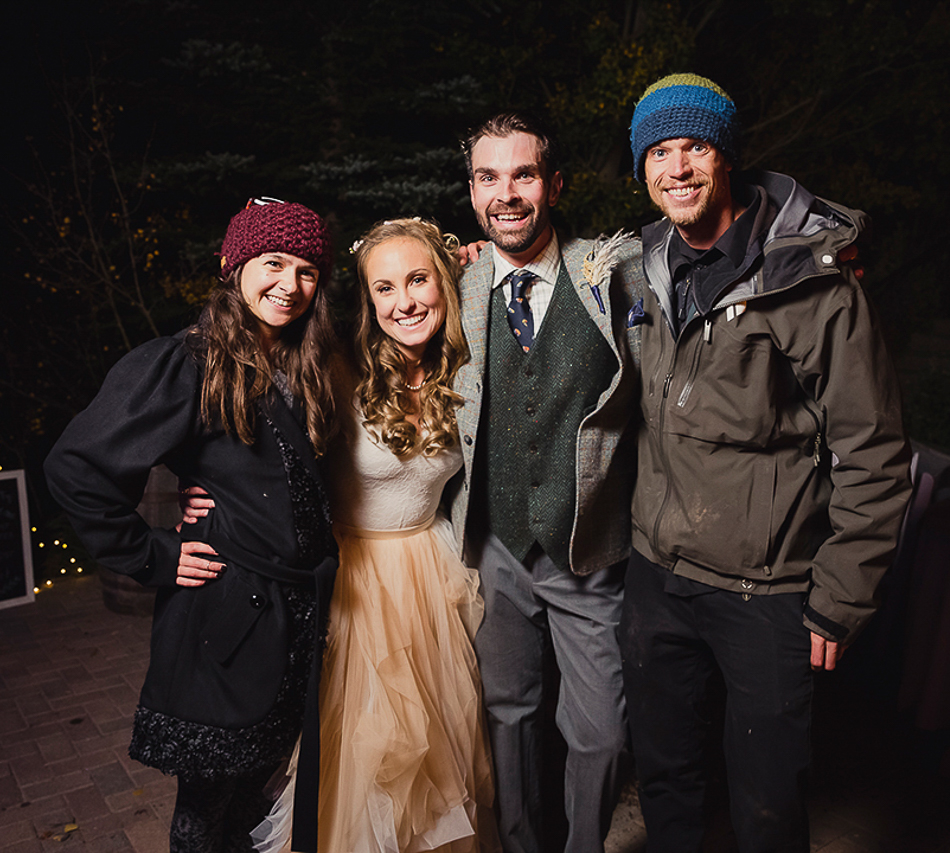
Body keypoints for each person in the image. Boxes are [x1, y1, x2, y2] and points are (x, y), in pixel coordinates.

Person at [620, 73, 912, 852]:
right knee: (666, 781)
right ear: (641, 166)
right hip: (657, 574)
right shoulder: (637, 264)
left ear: (728, 156)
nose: (677, 168)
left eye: (696, 147)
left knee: (768, 798)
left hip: (768, 586)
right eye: (659, 151)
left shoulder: (810, 280)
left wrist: (842, 594)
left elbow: (874, 449)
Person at [182, 218, 500, 852]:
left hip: (435, 575)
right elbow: (252, 432)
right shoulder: (334, 368)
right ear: (365, 297)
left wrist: (481, 259)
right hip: (354, 581)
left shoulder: (465, 368)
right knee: (367, 757)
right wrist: (208, 489)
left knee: (439, 761)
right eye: (384, 288)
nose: (404, 301)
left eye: (419, 281)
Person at [44, 199, 341, 853]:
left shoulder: (301, 362)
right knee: (204, 811)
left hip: (289, 621)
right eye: (272, 263)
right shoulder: (188, 362)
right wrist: (151, 554)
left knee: (250, 796)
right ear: (233, 265)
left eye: (306, 270)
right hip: (225, 622)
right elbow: (76, 466)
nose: (289, 285)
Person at [448, 113, 646, 853]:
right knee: (509, 712)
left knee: (600, 729)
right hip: (493, 544)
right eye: (489, 177)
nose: (507, 193)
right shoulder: (457, 284)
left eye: (523, 174)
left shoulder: (610, 268)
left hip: (586, 548)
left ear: (554, 185)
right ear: (471, 193)